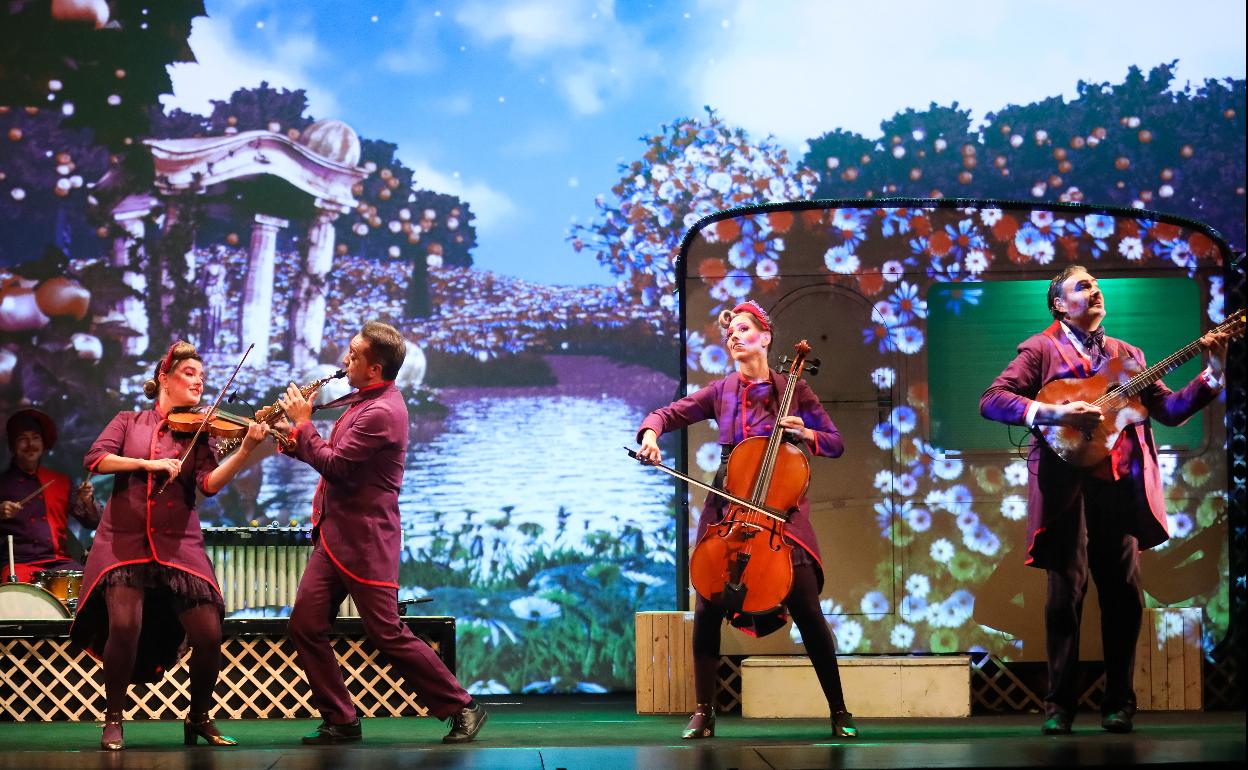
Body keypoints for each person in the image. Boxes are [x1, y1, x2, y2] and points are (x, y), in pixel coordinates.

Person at [980, 265, 1229, 736]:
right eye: (1082, 286)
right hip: (1065, 487)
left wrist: (1213, 371)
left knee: (1123, 595)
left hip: (1119, 486)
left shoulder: (1126, 355)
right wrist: (1052, 411)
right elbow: (993, 399)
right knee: (1065, 594)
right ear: (1059, 304)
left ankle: (1120, 703)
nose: (1095, 290)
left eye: (1096, 285)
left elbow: (1171, 410)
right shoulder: (1041, 348)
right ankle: (1059, 706)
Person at [635, 300, 857, 739]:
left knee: (808, 610)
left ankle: (839, 710)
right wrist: (649, 436)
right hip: (728, 506)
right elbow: (666, 414)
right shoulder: (721, 391)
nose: (734, 337)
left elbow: (835, 442)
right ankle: (703, 711)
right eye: (730, 332)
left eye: (743, 329)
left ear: (765, 336)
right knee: (708, 605)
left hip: (780, 514)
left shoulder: (794, 391)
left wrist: (805, 433)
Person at [276, 321, 487, 745]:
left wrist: (303, 426)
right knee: (305, 624)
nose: (344, 361)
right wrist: (293, 439)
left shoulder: (383, 411)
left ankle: (463, 706)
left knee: (386, 631)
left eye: (353, 355)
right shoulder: (364, 401)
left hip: (367, 540)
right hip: (336, 536)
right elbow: (335, 461)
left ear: (374, 369)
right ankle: (341, 718)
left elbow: (337, 466)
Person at [70, 341, 269, 751]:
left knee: (210, 632)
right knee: (124, 626)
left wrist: (247, 448)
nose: (199, 381)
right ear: (165, 378)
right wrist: (148, 464)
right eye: (189, 373)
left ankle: (198, 717)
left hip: (179, 543)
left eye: (202, 376)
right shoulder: (128, 421)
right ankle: (113, 717)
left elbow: (209, 485)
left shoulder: (198, 432)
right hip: (124, 541)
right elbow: (96, 458)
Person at [1, 408, 100, 582]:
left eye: (35, 438)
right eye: (23, 439)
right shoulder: (2, 483)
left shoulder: (60, 481)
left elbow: (93, 522)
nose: (30, 445)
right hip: (17, 565)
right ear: (12, 446)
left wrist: (87, 501)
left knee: (91, 586)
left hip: (59, 563)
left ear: (43, 443)